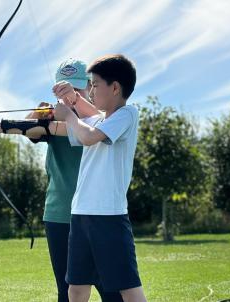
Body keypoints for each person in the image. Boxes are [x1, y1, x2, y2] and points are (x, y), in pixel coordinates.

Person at [0, 58, 123, 302]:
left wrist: (72, 107)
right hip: (59, 215)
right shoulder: (52, 118)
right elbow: (34, 130)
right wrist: (0, 125)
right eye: (65, 90)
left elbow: (98, 121)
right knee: (67, 292)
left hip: (99, 215)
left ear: (90, 87)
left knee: (114, 292)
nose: (71, 95)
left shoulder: (106, 119)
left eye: (77, 89)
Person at [53, 54, 147, 302]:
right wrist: (70, 99)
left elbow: (88, 136)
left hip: (109, 218)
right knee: (76, 288)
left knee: (128, 289)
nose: (90, 91)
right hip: (81, 214)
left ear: (115, 87)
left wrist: (69, 114)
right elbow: (88, 116)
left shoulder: (127, 114)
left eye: (94, 85)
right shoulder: (98, 120)